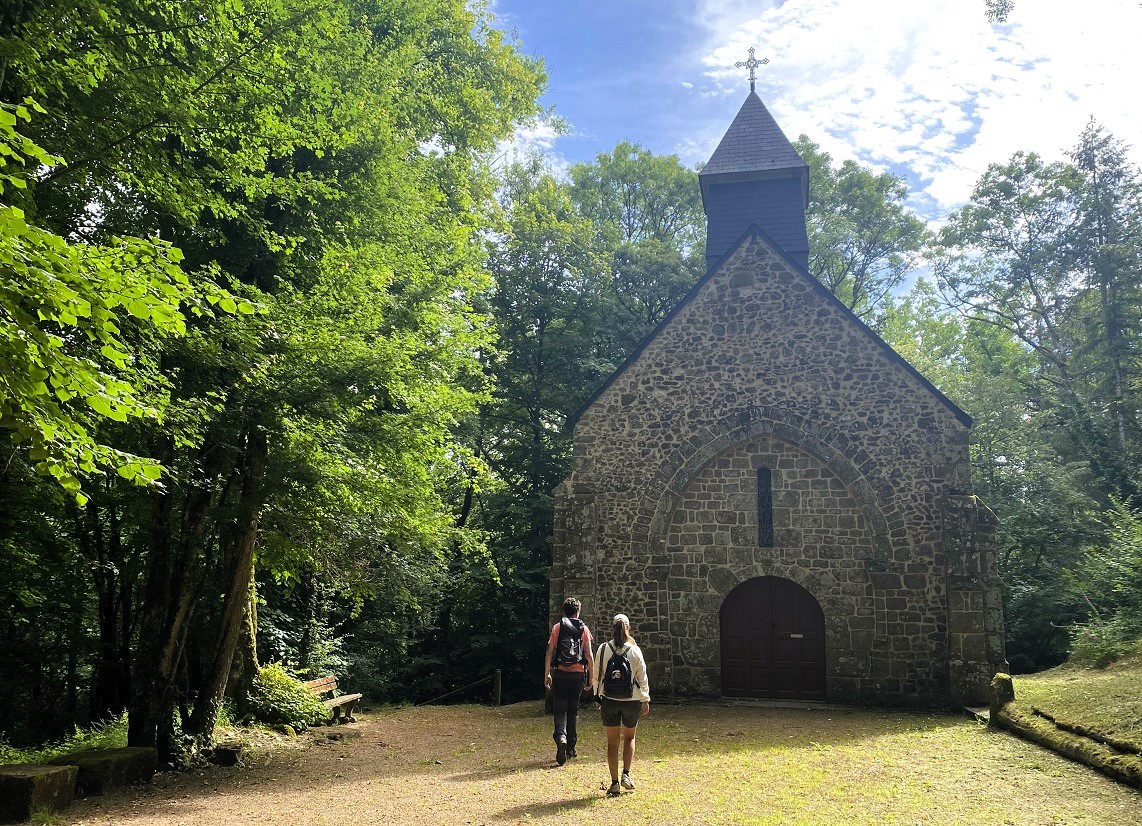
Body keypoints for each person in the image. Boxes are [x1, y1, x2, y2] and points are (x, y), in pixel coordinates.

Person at [593, 613, 650, 797]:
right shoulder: (635, 650)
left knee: (612, 743)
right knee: (629, 737)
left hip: (609, 699)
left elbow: (596, 676)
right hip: (631, 700)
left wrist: (597, 697)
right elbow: (642, 677)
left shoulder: (603, 649)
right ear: (628, 628)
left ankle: (614, 783)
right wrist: (645, 698)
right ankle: (626, 774)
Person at [543, 597, 594, 766]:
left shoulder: (558, 627)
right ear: (577, 611)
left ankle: (560, 737)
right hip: (577, 674)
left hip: (560, 673)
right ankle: (571, 748)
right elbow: (589, 655)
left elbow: (549, 652)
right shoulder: (583, 629)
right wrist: (591, 678)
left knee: (559, 709)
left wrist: (547, 674)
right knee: (573, 710)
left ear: (564, 611)